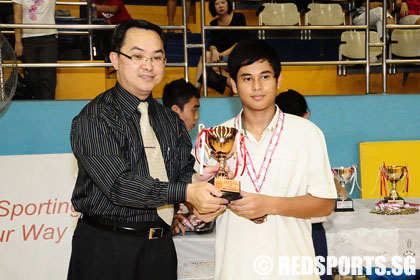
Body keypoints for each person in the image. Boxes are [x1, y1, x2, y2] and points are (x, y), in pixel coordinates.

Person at [67, 19, 227, 280]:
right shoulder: (94, 119)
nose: (148, 66)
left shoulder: (170, 120)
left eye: (157, 57)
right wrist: (187, 190)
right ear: (115, 60)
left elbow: (180, 174)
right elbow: (120, 186)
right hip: (107, 247)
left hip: (161, 247)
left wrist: (199, 183)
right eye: (137, 56)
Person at [200, 39, 337, 279]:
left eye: (265, 76)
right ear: (233, 84)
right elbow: (198, 207)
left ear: (278, 80)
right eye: (246, 78)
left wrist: (269, 204)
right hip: (236, 269)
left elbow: (325, 204)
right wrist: (204, 208)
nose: (257, 86)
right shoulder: (214, 139)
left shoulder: (307, 134)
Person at [275, 89, 332, 280]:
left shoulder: (264, 144)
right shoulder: (312, 139)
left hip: (276, 227)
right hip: (309, 227)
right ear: (306, 115)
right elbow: (325, 201)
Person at [162, 78, 208, 235]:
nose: (197, 117)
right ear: (175, 110)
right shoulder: (158, 144)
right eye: (194, 110)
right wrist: (167, 219)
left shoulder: (180, 143)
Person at [195, 0, 249, 94]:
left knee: (214, 68)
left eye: (223, 2)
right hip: (222, 57)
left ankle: (236, 87)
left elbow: (241, 41)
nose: (220, 6)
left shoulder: (239, 17)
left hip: (239, 54)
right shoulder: (214, 23)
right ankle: (196, 91)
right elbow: (212, 43)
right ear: (213, 7)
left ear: (228, 4)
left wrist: (221, 54)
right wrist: (214, 50)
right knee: (205, 57)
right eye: (216, 4)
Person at [13, 0, 57, 100]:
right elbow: (17, 15)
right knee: (32, 77)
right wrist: (18, 41)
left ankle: (48, 107)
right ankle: (35, 107)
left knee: (48, 77)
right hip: (27, 39)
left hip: (48, 37)